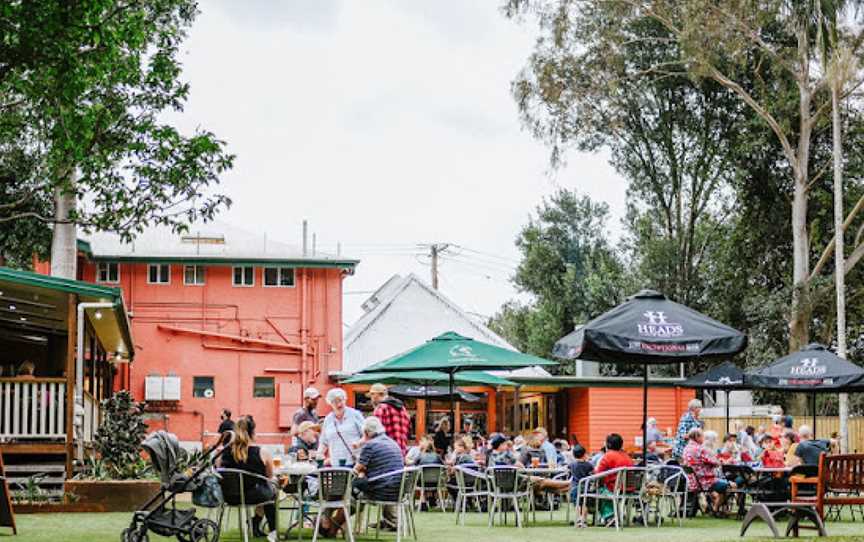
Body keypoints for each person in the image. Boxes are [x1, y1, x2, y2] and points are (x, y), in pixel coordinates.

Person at [321, 417, 405, 535]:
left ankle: (328, 519)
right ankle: (331, 524)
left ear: (365, 433)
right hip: (398, 491)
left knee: (347, 488)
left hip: (381, 489)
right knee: (352, 490)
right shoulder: (392, 443)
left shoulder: (371, 445)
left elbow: (355, 471)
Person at [218, 416, 278, 542]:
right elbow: (270, 477)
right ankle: (272, 530)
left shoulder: (224, 452)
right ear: (253, 432)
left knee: (265, 489)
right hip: (252, 496)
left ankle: (256, 523)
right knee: (272, 490)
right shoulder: (262, 452)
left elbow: (219, 472)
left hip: (229, 497)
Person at [682, 427, 734, 517]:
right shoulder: (700, 449)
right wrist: (720, 462)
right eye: (702, 437)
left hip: (692, 481)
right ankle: (716, 509)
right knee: (731, 485)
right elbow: (713, 462)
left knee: (723, 484)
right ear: (697, 437)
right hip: (705, 482)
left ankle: (714, 507)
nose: (703, 439)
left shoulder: (686, 448)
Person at [318, 388, 364, 467]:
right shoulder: (328, 419)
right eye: (335, 402)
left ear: (345, 400)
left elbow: (366, 435)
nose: (339, 404)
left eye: (340, 400)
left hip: (355, 462)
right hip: (335, 463)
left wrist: (358, 444)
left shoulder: (355, 415)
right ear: (330, 403)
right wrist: (319, 455)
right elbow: (324, 441)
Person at [595, 433, 633, 525]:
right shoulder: (627, 456)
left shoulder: (608, 456)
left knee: (597, 490)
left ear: (608, 445)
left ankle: (609, 516)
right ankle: (612, 516)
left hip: (614, 489)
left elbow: (598, 474)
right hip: (629, 489)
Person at [369, 383, 411, 455]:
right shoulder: (402, 408)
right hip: (401, 452)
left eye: (372, 394)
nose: (371, 398)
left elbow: (375, 433)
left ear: (379, 394)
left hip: (386, 453)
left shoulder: (381, 408)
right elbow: (409, 431)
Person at [568, 444, 594, 528]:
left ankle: (578, 518)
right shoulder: (588, 465)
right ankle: (584, 520)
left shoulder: (572, 464)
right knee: (584, 504)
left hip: (575, 487)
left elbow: (567, 469)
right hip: (585, 487)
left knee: (577, 504)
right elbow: (593, 472)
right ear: (584, 454)